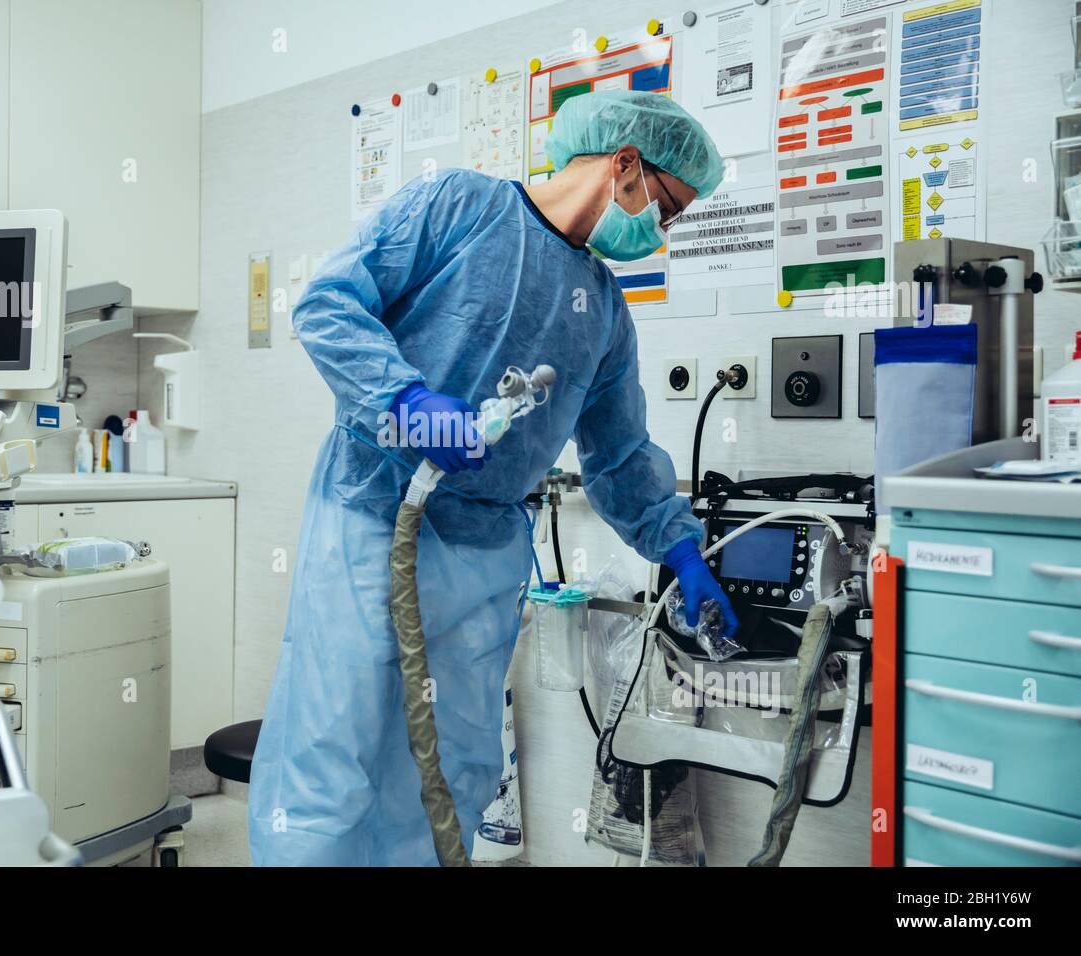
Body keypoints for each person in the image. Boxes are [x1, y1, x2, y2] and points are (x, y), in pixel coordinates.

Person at [248, 90, 737, 866]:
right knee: (336, 743)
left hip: (482, 553)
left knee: (453, 764)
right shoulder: (458, 206)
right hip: (374, 518)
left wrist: (680, 554)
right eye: (667, 207)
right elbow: (330, 305)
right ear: (625, 163)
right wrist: (405, 400)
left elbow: (618, 456)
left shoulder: (605, 311)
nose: (663, 232)